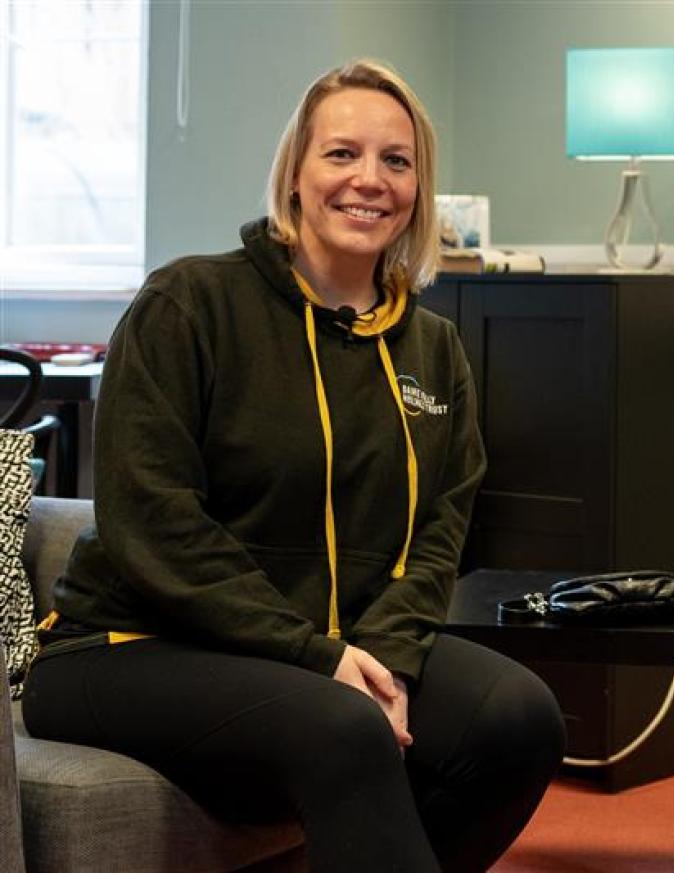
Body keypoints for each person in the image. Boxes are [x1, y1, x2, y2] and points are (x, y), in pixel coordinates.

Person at [22, 59, 565, 873]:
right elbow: (153, 522)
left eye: (396, 160)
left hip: (323, 649)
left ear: (418, 187)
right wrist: (318, 656)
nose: (369, 180)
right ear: (295, 174)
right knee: (342, 724)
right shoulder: (189, 304)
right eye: (341, 153)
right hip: (125, 646)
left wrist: (384, 656)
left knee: (519, 716)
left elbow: (439, 533)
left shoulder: (434, 348)